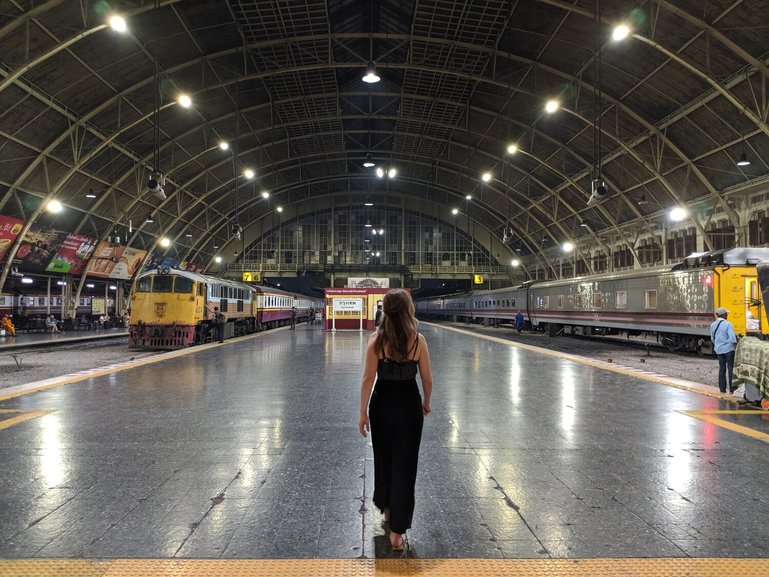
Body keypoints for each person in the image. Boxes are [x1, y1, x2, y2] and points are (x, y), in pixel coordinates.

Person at [358, 289, 433, 552]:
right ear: (408, 309)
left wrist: (362, 412)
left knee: (385, 458)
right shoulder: (418, 340)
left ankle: (388, 511)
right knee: (405, 464)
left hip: (382, 404)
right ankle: (397, 533)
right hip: (408, 404)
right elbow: (427, 379)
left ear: (385, 309)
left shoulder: (376, 340)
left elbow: (368, 379)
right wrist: (426, 402)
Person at [711, 307, 737, 393]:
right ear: (724, 315)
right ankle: (732, 389)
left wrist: (718, 345)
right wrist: (735, 347)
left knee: (722, 369)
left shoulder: (713, 325)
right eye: (727, 314)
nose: (727, 315)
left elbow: (712, 339)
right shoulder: (728, 324)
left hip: (718, 350)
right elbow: (733, 339)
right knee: (730, 369)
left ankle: (722, 389)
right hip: (729, 350)